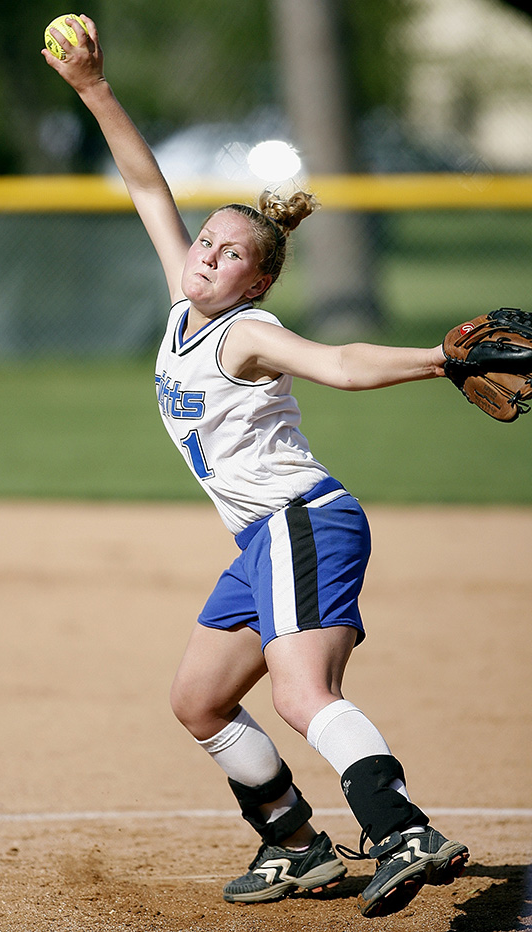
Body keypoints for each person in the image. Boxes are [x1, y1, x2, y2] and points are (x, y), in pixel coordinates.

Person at [43, 16, 469, 919]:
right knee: (198, 701)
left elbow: (346, 363)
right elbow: (147, 185)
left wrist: (444, 358)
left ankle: (405, 831)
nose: (207, 254)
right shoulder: (183, 308)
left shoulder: (247, 334)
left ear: (258, 281)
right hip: (260, 543)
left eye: (232, 253)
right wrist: (91, 90)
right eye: (207, 242)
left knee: (301, 692)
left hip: (304, 520)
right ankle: (297, 847)